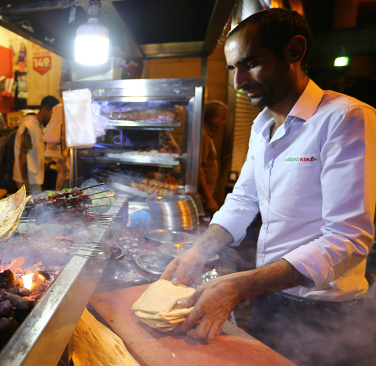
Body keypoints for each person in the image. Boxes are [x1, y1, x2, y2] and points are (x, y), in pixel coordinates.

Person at [161, 9, 376, 366]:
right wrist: (199, 250)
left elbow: (348, 237)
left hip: (324, 313)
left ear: (294, 51)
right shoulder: (262, 126)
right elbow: (243, 201)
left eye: (250, 64)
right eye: (233, 69)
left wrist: (238, 285)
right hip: (268, 297)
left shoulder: (345, 119)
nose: (238, 82)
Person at [13, 96, 59, 194]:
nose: (53, 118)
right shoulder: (29, 126)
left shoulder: (37, 126)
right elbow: (22, 155)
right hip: (29, 179)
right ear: (45, 110)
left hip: (33, 178)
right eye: (52, 114)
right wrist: (26, 184)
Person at [199, 101, 227, 214]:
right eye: (223, 119)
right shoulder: (203, 138)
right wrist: (210, 199)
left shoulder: (208, 137)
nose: (224, 123)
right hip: (202, 199)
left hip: (205, 198)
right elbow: (199, 171)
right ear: (214, 118)